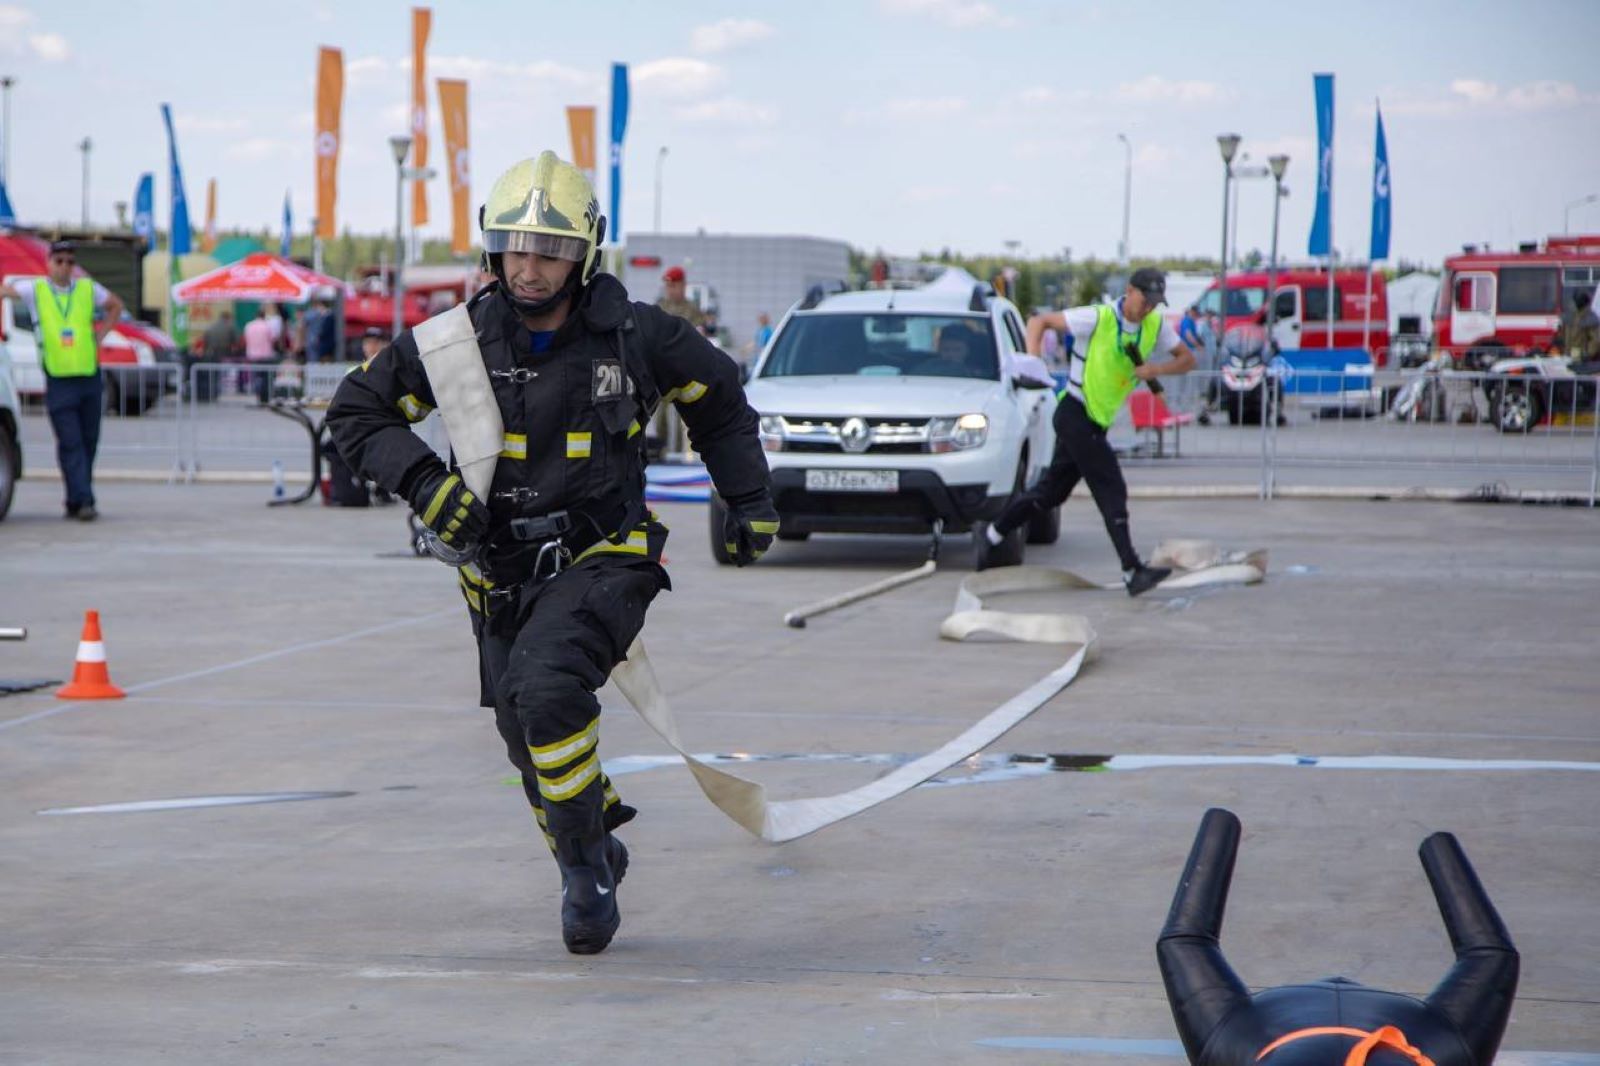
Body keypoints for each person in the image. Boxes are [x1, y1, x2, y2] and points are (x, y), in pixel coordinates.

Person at [327, 151, 776, 955]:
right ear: (490, 248)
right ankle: (593, 839)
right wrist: (427, 483)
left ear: (585, 253)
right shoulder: (453, 340)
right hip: (498, 575)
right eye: (514, 246)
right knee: (525, 735)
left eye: (550, 249)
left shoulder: (638, 334)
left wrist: (748, 501)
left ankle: (582, 875)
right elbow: (357, 411)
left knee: (543, 690)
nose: (529, 266)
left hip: (607, 556)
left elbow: (721, 403)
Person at [1158, 808, 1518, 1066]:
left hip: (1406, 1035)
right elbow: (1185, 940)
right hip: (1271, 1032)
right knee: (1185, 944)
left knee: (1491, 957)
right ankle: (1221, 823)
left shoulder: (1448, 1045)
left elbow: (1491, 956)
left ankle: (1221, 824)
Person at [978, 267, 1196, 595]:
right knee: (1111, 488)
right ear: (1129, 290)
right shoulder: (1097, 317)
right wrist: (1033, 365)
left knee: (1052, 494)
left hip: (1096, 421)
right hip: (1074, 413)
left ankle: (994, 535)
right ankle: (1131, 570)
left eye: (1154, 302)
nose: (1148, 307)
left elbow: (1187, 359)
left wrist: (1157, 369)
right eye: (1144, 299)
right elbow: (1040, 322)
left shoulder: (1154, 326)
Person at [0, 240, 124, 520]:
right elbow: (4, 292)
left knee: (88, 442)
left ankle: (74, 498)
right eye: (60, 261)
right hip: (59, 379)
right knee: (71, 442)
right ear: (49, 263)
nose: (65, 267)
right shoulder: (36, 289)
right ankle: (84, 501)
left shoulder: (87, 289)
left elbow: (115, 305)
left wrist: (100, 335)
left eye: (70, 262)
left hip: (88, 376)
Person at [241, 306, 280, 403]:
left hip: (252, 355)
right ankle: (265, 397)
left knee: (256, 376)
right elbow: (273, 339)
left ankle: (257, 395)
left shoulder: (248, 325)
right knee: (266, 378)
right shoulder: (267, 326)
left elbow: (246, 339)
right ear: (264, 316)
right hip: (265, 355)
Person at [1555, 289, 1600, 363]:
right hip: (1567, 354)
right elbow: (1561, 333)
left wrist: (1588, 354)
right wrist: (1560, 345)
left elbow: (1596, 340)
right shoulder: (1568, 315)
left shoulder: (1591, 318)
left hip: (1583, 357)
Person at [655, 264, 705, 329]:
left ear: (683, 285)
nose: (670, 290)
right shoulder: (659, 308)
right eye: (667, 286)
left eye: (673, 286)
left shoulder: (693, 309)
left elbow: (699, 333)